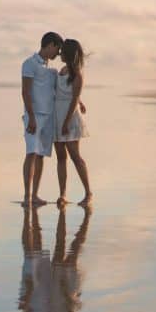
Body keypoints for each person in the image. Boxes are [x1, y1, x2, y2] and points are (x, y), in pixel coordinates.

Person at [21, 32, 63, 207]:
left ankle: (35, 195)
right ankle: (27, 196)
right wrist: (30, 117)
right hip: (34, 116)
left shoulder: (51, 70)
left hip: (49, 117)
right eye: (57, 49)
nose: (58, 54)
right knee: (31, 153)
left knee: (40, 156)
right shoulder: (29, 63)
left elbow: (59, 90)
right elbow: (26, 92)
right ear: (50, 45)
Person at [54, 39, 92, 207]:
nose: (60, 54)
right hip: (57, 114)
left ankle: (88, 193)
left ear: (69, 54)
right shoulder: (61, 70)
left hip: (69, 117)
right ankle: (62, 194)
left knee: (75, 156)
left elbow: (74, 97)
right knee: (61, 157)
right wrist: (81, 102)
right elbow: (71, 94)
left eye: (62, 51)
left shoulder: (78, 74)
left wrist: (66, 122)